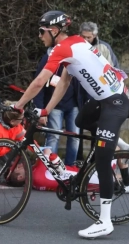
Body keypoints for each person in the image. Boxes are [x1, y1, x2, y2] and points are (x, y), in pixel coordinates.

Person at [11, 10, 129, 238]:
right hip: (101, 101)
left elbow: (39, 82)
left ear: (54, 31)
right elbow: (64, 82)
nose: (39, 36)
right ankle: (108, 138)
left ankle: (105, 221)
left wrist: (18, 105)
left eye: (42, 31)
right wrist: (46, 110)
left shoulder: (63, 48)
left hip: (115, 103)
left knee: (104, 159)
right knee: (81, 120)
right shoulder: (74, 44)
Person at [33, 30, 88, 166]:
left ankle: (70, 169)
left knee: (75, 138)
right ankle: (50, 168)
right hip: (55, 105)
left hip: (74, 105)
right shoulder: (48, 58)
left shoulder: (75, 59)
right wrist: (41, 108)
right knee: (53, 137)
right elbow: (38, 83)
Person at [77, 21, 120, 161]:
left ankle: (96, 161)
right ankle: (79, 159)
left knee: (99, 131)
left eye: (88, 37)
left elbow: (113, 70)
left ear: (95, 36)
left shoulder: (104, 48)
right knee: (78, 129)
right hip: (81, 95)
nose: (85, 40)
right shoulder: (77, 47)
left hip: (100, 96)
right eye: (83, 36)